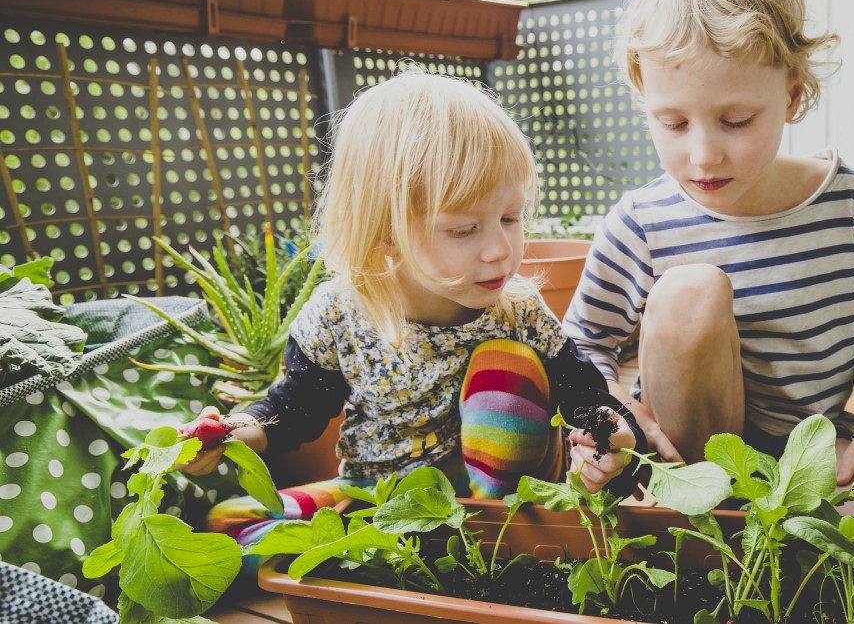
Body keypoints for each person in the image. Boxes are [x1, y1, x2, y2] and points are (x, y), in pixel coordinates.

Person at [179, 70, 645, 552]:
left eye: (511, 217)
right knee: (227, 523)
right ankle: (383, 544)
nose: (501, 250)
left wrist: (616, 441)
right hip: (378, 494)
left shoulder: (518, 312)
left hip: (495, 501)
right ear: (386, 232)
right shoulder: (337, 316)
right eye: (463, 230)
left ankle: (487, 537)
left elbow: (588, 398)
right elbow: (293, 410)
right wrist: (230, 433)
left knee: (503, 367)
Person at [563, 0, 854, 486]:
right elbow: (582, 344)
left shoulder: (851, 207)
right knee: (691, 292)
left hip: (809, 450)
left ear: (792, 95)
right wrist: (610, 414)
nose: (704, 155)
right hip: (686, 461)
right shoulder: (640, 222)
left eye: (735, 122)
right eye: (674, 123)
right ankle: (705, 495)